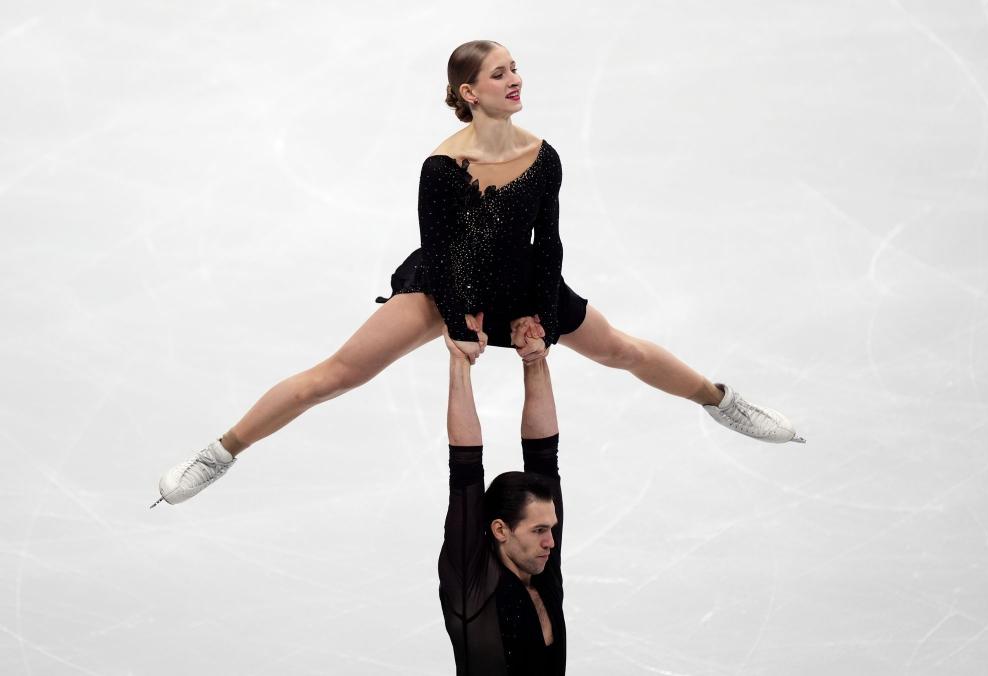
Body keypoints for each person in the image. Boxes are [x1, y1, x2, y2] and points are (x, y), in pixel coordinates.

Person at [152, 40, 803, 508]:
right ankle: (220, 451)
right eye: (500, 73)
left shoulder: (543, 156)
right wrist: (461, 323)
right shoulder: (443, 167)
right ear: (469, 93)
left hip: (522, 281)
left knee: (621, 349)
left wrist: (541, 313)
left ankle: (722, 402)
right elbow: (439, 252)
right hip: (446, 286)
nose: (515, 79)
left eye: (515, 68)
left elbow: (549, 242)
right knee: (336, 375)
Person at [441, 325, 565, 675]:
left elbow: (544, 454)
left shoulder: (540, 566)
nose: (551, 542)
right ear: (500, 529)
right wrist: (459, 359)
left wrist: (534, 358)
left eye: (551, 528)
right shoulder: (472, 584)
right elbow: (464, 466)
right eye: (539, 530)